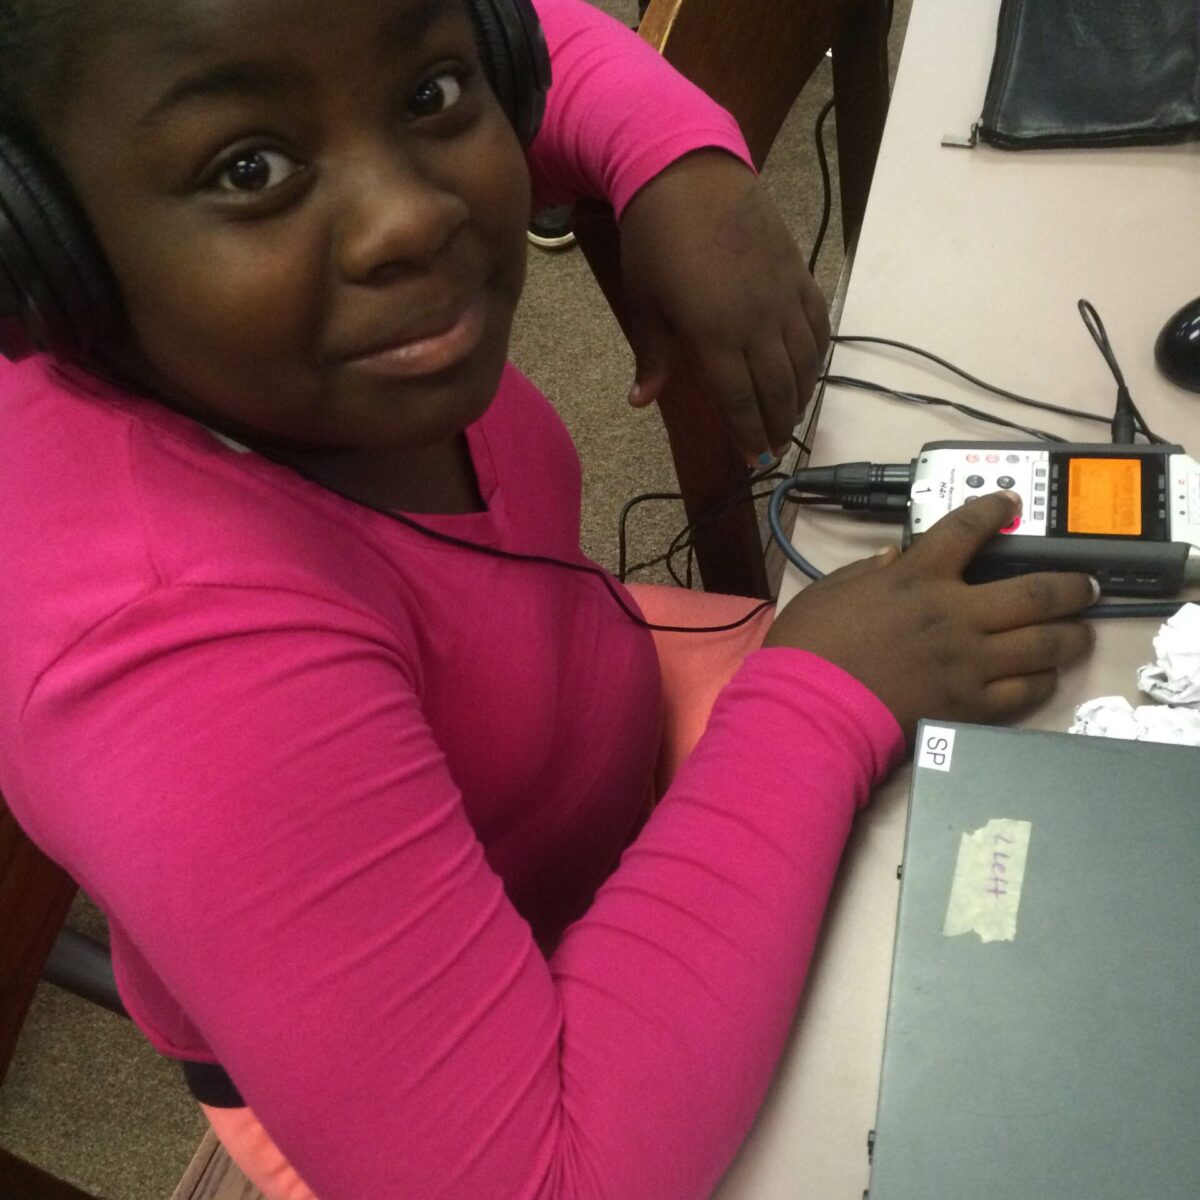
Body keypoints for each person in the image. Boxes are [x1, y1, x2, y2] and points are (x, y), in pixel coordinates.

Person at [0, 1, 1096, 1198]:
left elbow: (515, 35)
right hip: (490, 1087)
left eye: (428, 95)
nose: (411, 215)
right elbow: (543, 1183)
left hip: (597, 751)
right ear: (44, 247)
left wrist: (678, 164)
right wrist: (819, 696)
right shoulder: (175, 668)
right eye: (248, 169)